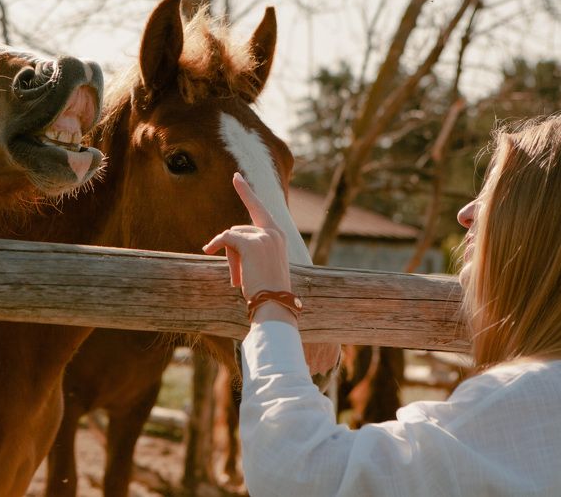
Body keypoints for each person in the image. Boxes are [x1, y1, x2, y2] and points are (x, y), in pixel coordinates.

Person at [202, 114, 561, 496]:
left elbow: (299, 476)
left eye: (498, 195)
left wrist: (271, 300)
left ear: (542, 234)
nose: (466, 213)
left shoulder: (527, 402)